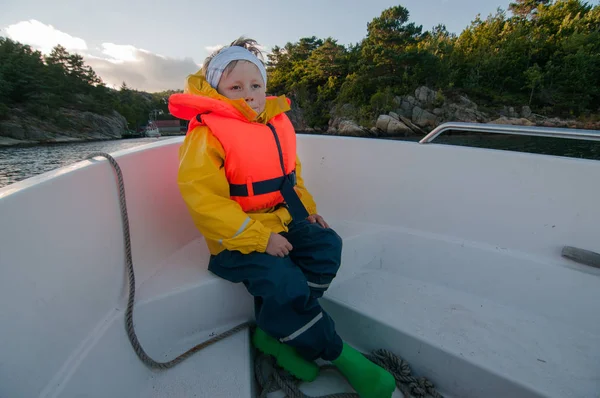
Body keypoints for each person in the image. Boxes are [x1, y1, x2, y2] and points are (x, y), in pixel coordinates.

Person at [169, 37, 395, 398]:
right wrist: (261, 239)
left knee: (327, 246)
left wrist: (306, 215)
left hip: (282, 222)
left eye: (255, 85)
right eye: (236, 87)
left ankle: (277, 333)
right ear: (217, 91)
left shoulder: (274, 123)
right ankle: (338, 355)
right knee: (284, 281)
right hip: (236, 239)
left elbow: (291, 179)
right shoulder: (207, 134)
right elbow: (204, 201)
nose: (249, 94)